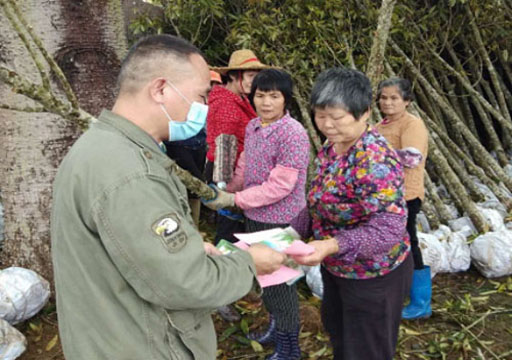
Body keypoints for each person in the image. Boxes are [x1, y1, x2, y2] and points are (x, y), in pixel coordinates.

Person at [50, 34, 286, 360]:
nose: (205, 108)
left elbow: (129, 249)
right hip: (143, 345)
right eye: (202, 96)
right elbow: (186, 283)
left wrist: (189, 250)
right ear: (160, 89)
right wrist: (249, 263)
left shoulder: (100, 148)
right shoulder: (130, 173)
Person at [291, 68, 413, 360]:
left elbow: (388, 228)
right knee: (341, 337)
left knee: (367, 350)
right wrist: (293, 232)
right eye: (321, 115)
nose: (327, 125)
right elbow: (319, 200)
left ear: (364, 113)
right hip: (337, 269)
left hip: (373, 276)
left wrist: (333, 245)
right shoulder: (333, 147)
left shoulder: (374, 160)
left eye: (337, 117)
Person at [203, 69, 310, 360]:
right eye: (260, 95)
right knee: (266, 278)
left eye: (274, 96)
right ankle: (277, 328)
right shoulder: (253, 126)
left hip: (282, 218)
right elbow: (245, 165)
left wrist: (236, 198)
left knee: (281, 283)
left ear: (286, 99)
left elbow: (281, 185)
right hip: (256, 215)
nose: (266, 102)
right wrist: (227, 189)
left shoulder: (293, 134)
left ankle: (290, 348)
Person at [375, 77, 430, 320]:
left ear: (406, 101)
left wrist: (375, 155)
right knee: (387, 247)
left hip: (406, 195)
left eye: (394, 98)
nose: (388, 103)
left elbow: (412, 157)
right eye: (384, 98)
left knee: (408, 243)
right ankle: (392, 296)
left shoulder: (412, 125)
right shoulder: (378, 126)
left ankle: (421, 302)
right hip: (382, 197)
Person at [205, 49, 272, 244]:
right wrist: (228, 189)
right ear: (235, 76)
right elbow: (224, 150)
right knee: (230, 229)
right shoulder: (226, 105)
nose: (255, 81)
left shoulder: (240, 100)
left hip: (238, 171)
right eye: (251, 76)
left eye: (257, 76)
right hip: (227, 173)